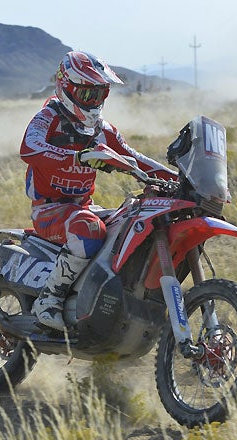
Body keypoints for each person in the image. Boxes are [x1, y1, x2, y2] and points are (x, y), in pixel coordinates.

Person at [19, 51, 177, 331]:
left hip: (82, 207)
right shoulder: (48, 117)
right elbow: (29, 148)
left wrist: (179, 179)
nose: (95, 102)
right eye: (88, 95)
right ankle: (49, 300)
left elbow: (134, 157)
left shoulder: (102, 130)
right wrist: (78, 158)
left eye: (100, 94)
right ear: (66, 88)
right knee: (89, 229)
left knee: (130, 223)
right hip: (49, 210)